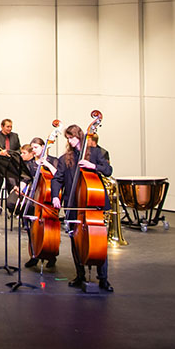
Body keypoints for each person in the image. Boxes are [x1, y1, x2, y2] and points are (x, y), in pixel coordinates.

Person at [51, 124, 113, 292]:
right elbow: (57, 179)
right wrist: (55, 196)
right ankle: (80, 275)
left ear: (79, 136)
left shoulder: (95, 153)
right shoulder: (65, 159)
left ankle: (103, 278)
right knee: (75, 241)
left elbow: (108, 170)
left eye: (72, 137)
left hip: (92, 205)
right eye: (68, 138)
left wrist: (94, 166)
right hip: (74, 205)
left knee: (99, 243)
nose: (70, 141)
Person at [0, 119, 21, 210]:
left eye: (11, 126)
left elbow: (19, 149)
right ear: (2, 126)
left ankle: (12, 208)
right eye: (7, 126)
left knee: (12, 188)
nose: (9, 128)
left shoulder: (15, 136)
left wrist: (10, 152)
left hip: (11, 167)